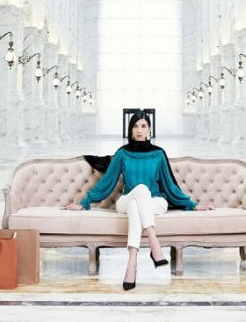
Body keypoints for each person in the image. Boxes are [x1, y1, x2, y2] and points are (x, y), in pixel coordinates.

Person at [65, 112, 213, 290]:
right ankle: (154, 244)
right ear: (130, 129)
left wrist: (193, 205)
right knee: (140, 190)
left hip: (155, 202)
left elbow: (170, 185)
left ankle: (131, 264)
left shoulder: (158, 154)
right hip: (126, 200)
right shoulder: (123, 153)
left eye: (143, 126)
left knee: (137, 205)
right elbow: (107, 182)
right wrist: (84, 203)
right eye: (135, 126)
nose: (139, 130)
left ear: (150, 129)